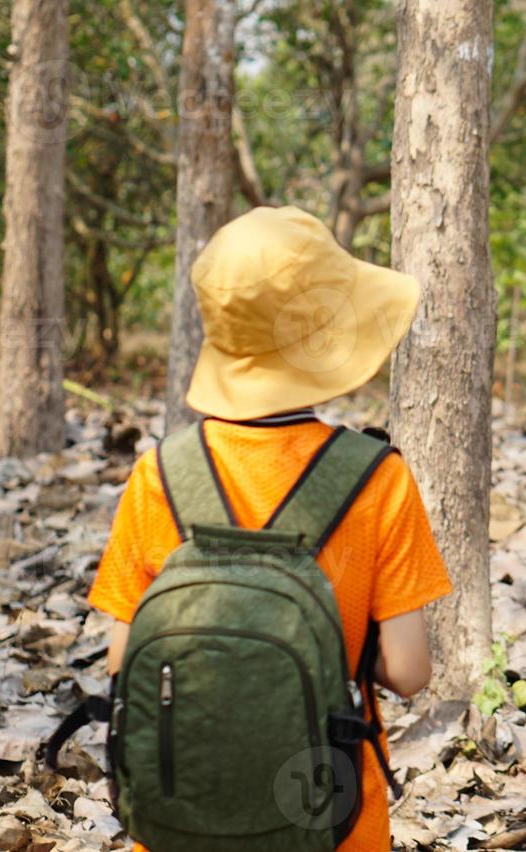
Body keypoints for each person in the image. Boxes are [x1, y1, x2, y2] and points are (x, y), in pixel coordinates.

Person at [86, 206, 453, 852]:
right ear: (327, 337)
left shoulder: (160, 475)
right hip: (330, 821)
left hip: (177, 820)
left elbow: (123, 659)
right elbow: (409, 670)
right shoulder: (377, 478)